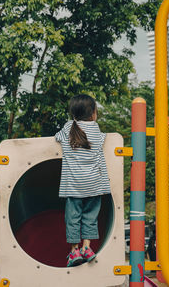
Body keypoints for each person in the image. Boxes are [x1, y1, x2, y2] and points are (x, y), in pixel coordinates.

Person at [55, 94, 111, 267]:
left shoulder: (68, 127)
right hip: (94, 185)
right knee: (90, 217)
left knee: (73, 218)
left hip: (74, 186)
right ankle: (87, 247)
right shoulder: (96, 129)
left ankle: (74, 252)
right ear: (93, 113)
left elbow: (58, 138)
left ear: (73, 114)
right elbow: (103, 139)